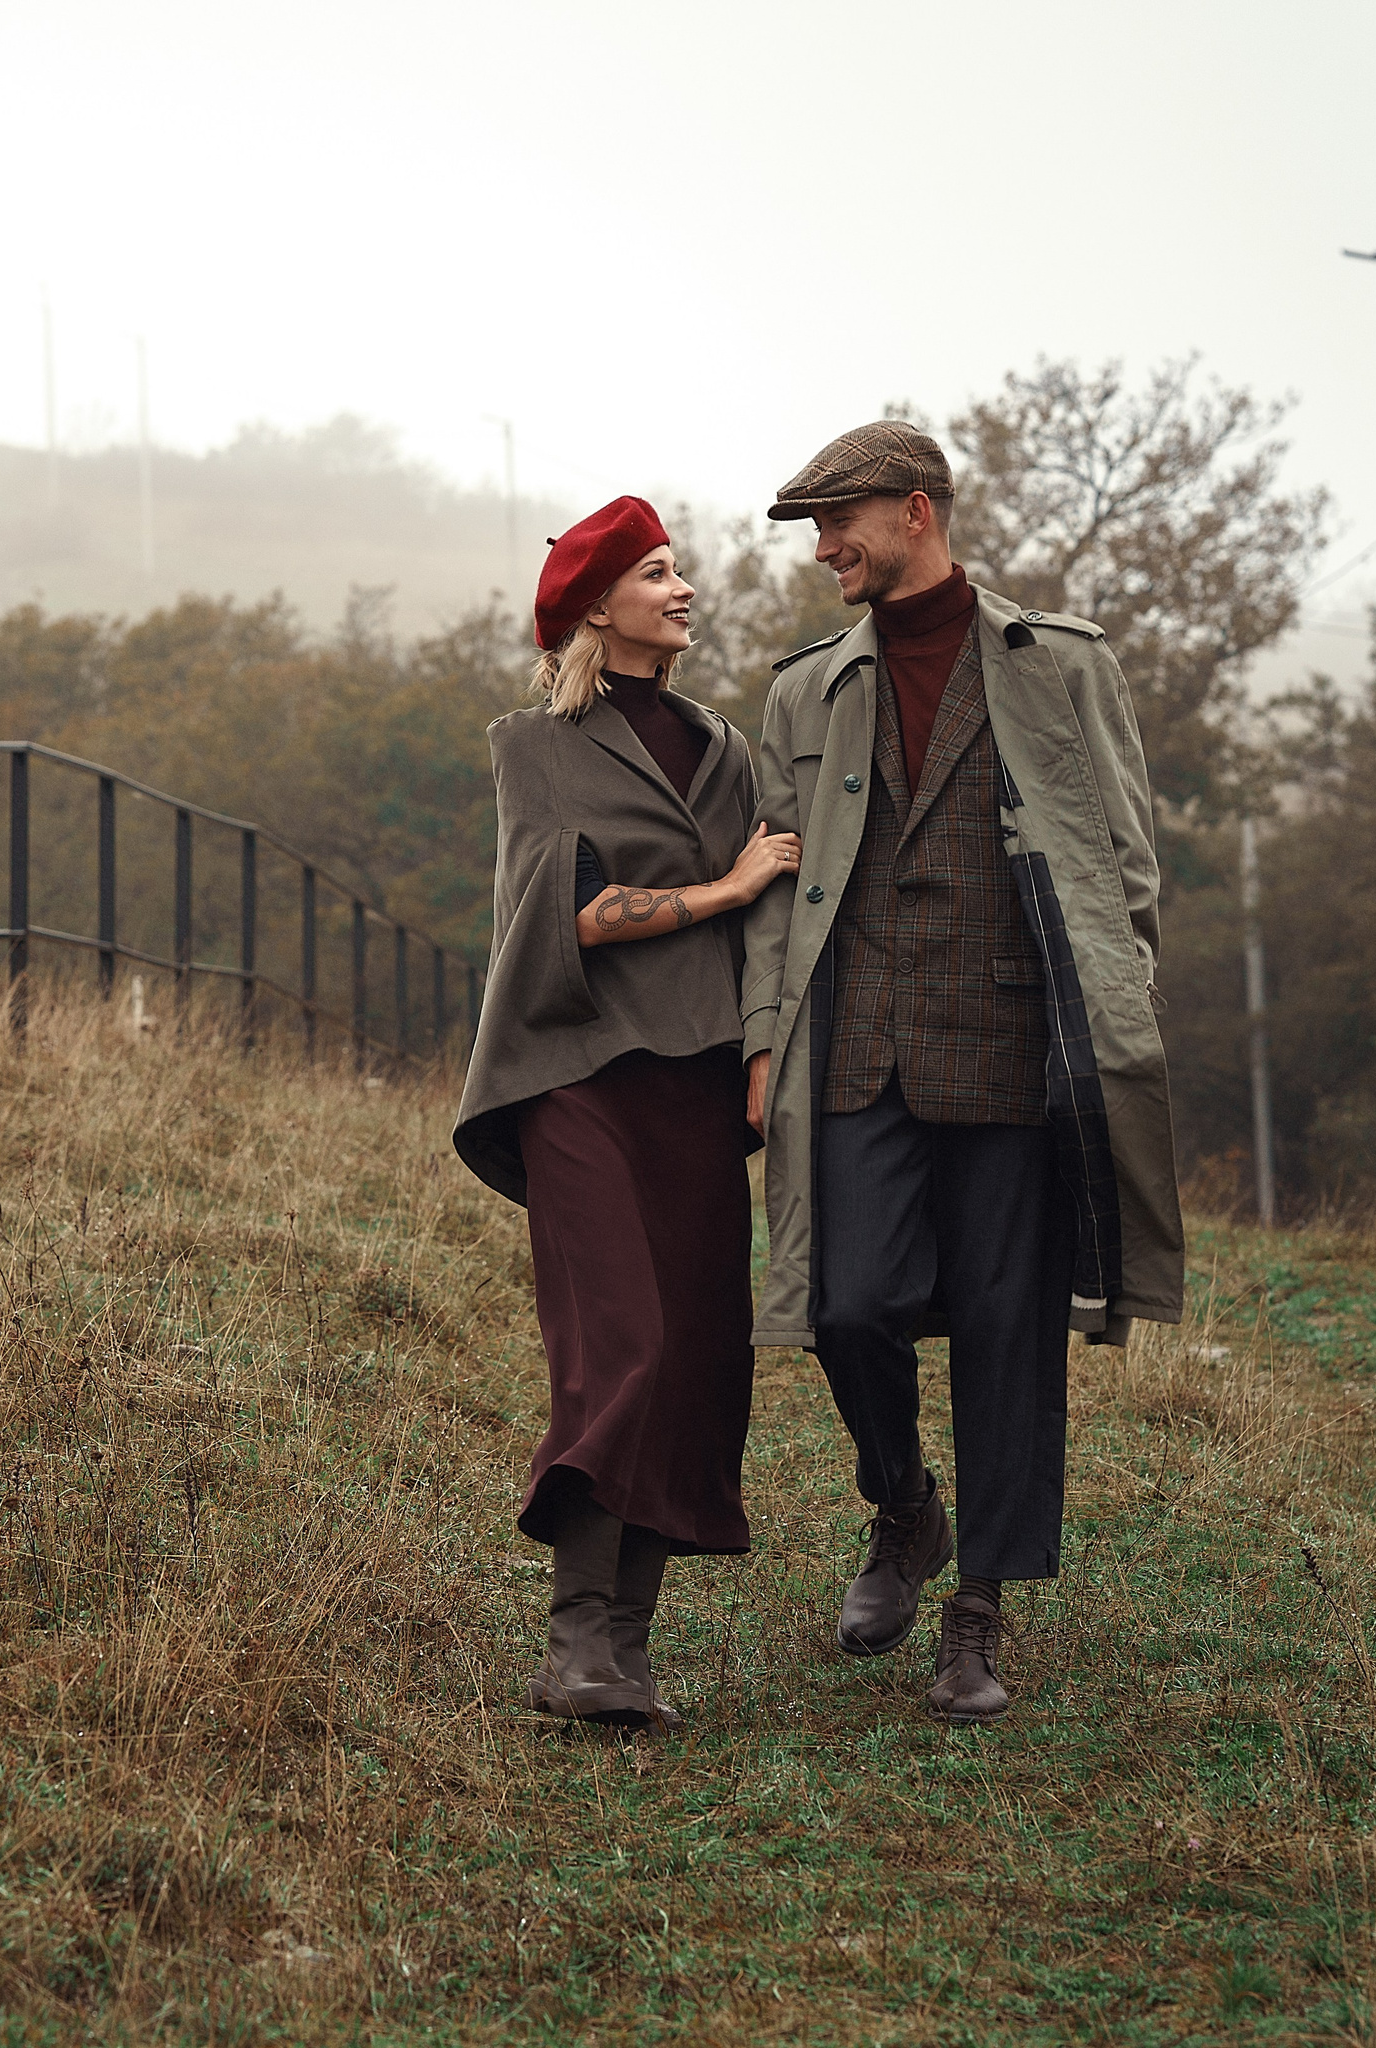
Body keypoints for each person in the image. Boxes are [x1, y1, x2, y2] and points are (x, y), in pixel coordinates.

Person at [742, 422, 1185, 1724]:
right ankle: (904, 1509)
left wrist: (1113, 1015)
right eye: (816, 529)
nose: (826, 551)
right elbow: (777, 885)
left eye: (842, 525)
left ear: (916, 513)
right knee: (845, 1303)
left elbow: (1127, 855)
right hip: (856, 1050)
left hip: (1017, 1055)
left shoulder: (1062, 666)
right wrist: (767, 1038)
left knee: (1009, 1342)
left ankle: (975, 1619)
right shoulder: (803, 689)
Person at [454, 496, 802, 1729]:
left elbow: (775, 926)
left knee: (699, 1351)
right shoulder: (535, 744)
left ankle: (625, 1652)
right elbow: (576, 916)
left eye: (680, 569)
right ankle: (571, 1641)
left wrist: (764, 1056)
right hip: (579, 1076)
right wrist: (724, 882)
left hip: (701, 1084)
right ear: (597, 605)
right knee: (623, 1339)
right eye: (656, 573)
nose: (684, 587)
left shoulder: (722, 744)